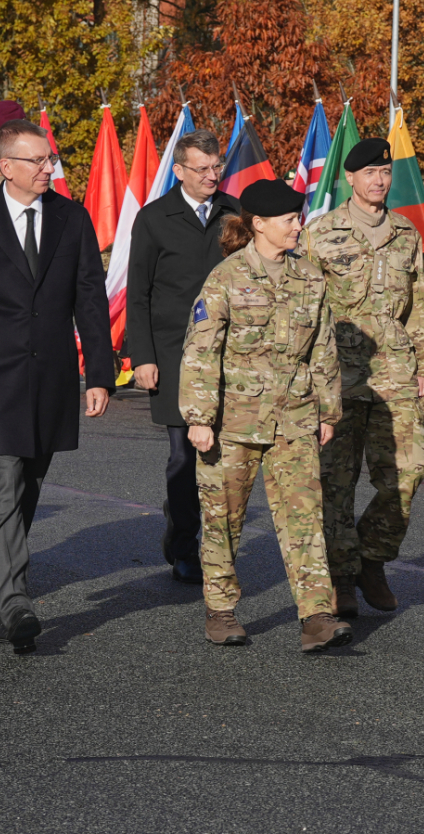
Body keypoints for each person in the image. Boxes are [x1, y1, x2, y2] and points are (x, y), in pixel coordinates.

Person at [0, 119, 113, 654]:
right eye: (36, 161)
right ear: (4, 165)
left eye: (50, 160)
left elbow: (90, 296)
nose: (47, 169)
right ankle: (14, 601)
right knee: (7, 482)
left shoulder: (72, 218)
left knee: (27, 486)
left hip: (53, 378)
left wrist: (100, 374)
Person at [177, 178, 351, 653]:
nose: (298, 226)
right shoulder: (226, 278)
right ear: (258, 224)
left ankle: (316, 616)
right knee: (223, 519)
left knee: (304, 519)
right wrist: (198, 415)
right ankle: (221, 611)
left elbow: (323, 349)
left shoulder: (310, 278)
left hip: (294, 419)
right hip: (232, 422)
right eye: (289, 219)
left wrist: (328, 410)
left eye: (298, 217)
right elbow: (201, 349)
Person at [305, 138, 424, 617]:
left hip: (394, 374)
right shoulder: (319, 234)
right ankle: (341, 577)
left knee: (408, 471)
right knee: (335, 482)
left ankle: (371, 556)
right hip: (337, 376)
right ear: (350, 179)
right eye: (369, 173)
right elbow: (305, 308)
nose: (379, 181)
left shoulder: (406, 233)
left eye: (384, 172)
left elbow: (419, 306)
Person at [126, 129, 239, 585]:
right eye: (202, 169)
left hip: (231, 353)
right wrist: (143, 358)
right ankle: (184, 543)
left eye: (217, 168)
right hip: (174, 354)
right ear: (179, 171)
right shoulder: (155, 218)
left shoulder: (235, 213)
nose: (212, 176)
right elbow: (139, 293)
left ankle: (218, 544)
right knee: (183, 456)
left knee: (227, 455)